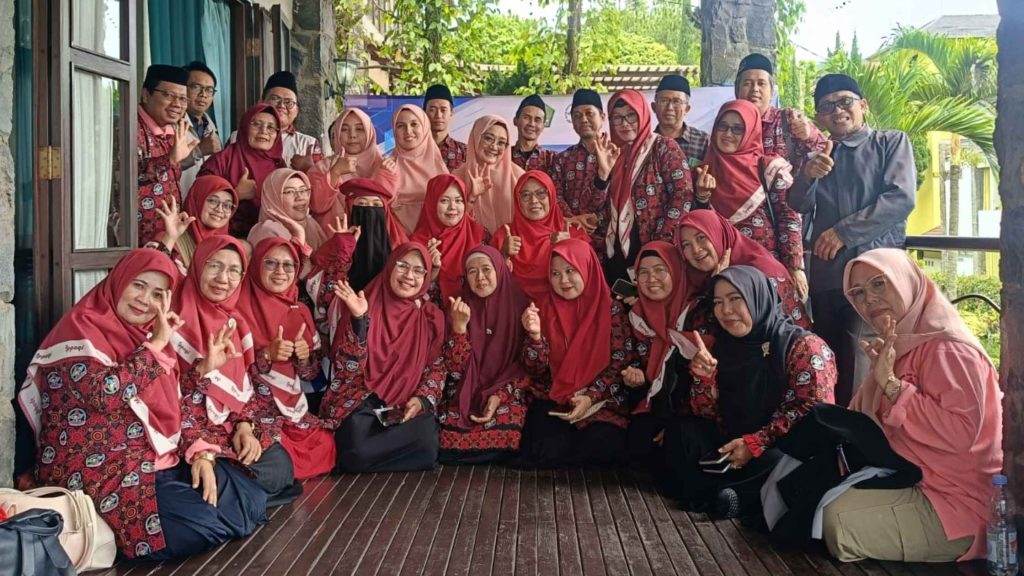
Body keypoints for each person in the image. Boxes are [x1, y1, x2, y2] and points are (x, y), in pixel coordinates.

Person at [18, 249, 267, 560]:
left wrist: (200, 447)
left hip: (149, 455)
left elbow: (169, 402)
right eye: (138, 285)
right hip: (98, 464)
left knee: (250, 497)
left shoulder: (144, 334)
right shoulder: (80, 329)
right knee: (197, 526)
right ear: (119, 281)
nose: (145, 300)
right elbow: (106, 394)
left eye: (158, 294)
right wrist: (156, 346)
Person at [820, 249, 1003, 563]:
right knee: (809, 497)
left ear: (905, 282)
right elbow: (861, 421)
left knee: (836, 522)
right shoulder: (901, 345)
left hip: (958, 502)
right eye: (858, 293)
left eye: (879, 284)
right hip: (909, 476)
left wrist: (892, 386)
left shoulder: (948, 349)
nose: (869, 299)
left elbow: (961, 433)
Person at [663, 266, 835, 517]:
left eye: (736, 299)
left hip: (775, 444)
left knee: (785, 459)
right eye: (718, 302)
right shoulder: (724, 346)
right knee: (683, 432)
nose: (725, 310)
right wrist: (704, 379)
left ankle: (730, 496)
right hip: (733, 443)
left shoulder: (803, 346)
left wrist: (756, 443)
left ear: (758, 297)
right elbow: (706, 413)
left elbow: (813, 410)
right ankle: (728, 493)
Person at [788, 73, 916, 405]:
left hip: (876, 274)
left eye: (845, 102)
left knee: (868, 358)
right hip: (828, 277)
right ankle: (833, 431)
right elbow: (796, 204)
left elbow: (901, 198)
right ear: (819, 117)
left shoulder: (890, 143)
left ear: (863, 105)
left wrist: (844, 232)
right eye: (827, 106)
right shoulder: (817, 157)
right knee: (830, 361)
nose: (837, 111)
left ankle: (866, 432)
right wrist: (807, 176)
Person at [173, 236, 300, 504]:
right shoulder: (172, 320)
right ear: (198, 266)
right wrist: (202, 369)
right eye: (214, 266)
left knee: (279, 464)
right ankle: (236, 492)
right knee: (206, 476)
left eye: (234, 271)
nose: (223, 278)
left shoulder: (234, 324)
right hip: (187, 435)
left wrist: (244, 426)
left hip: (226, 430)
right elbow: (163, 397)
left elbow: (245, 386)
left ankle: (239, 494)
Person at [321, 243, 446, 473]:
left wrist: (421, 400)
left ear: (426, 278)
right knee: (356, 445)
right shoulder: (363, 304)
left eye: (419, 270)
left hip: (405, 405)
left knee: (428, 444)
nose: (409, 276)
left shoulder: (430, 317)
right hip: (364, 400)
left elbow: (436, 367)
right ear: (389, 267)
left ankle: (376, 453)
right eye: (402, 266)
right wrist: (359, 321)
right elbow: (345, 369)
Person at [515, 239, 636, 468]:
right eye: (555, 273)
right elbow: (535, 369)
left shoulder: (611, 309)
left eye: (571, 270)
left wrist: (590, 396)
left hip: (601, 400)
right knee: (542, 450)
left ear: (587, 268)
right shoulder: (543, 308)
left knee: (605, 444)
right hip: (555, 396)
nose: (564, 280)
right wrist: (535, 337)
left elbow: (620, 361)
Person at [236, 237, 336, 480]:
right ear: (255, 265)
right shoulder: (237, 307)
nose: (280, 271)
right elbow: (229, 370)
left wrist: (304, 358)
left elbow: (311, 376)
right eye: (271, 263)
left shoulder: (300, 311)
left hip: (292, 406)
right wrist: (266, 355)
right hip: (253, 408)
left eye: (288, 265)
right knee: (276, 452)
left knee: (325, 444)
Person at [699, 99, 807, 299]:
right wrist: (701, 196)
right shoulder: (703, 172)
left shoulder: (770, 168)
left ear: (751, 131)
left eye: (738, 129)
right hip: (723, 277)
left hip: (767, 273)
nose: (728, 134)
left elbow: (788, 217)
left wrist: (794, 267)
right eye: (723, 126)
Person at [438, 246, 533, 464]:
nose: (480, 277)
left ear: (499, 270)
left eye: (486, 269)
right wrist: (459, 329)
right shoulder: (457, 307)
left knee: (511, 431)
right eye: (472, 271)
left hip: (507, 388)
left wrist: (499, 396)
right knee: (448, 436)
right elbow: (454, 370)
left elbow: (529, 367)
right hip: (466, 387)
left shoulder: (521, 307)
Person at [603, 89, 694, 284]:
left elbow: (682, 195)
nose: (624, 123)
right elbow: (602, 206)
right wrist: (602, 175)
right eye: (617, 117)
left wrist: (659, 244)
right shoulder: (613, 154)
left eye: (631, 115)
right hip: (617, 250)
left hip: (654, 249)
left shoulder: (663, 147)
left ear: (642, 114)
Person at [624, 241, 702, 466]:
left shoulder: (696, 312)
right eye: (643, 272)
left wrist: (675, 425)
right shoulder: (637, 315)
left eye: (660, 270)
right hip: (651, 403)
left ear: (676, 271)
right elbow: (631, 359)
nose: (651, 279)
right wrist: (635, 377)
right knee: (636, 446)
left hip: (690, 411)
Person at [676, 210, 810, 330]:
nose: (696, 250)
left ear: (718, 235)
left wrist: (719, 288)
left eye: (701, 237)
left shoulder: (763, 274)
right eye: (686, 244)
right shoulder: (694, 279)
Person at [490, 171, 589, 301]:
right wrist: (503, 255)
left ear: (551, 196)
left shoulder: (573, 234)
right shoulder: (504, 236)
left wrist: (571, 248)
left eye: (541, 193)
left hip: (563, 308)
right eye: (525, 195)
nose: (534, 201)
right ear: (518, 201)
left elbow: (592, 279)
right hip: (516, 308)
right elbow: (488, 282)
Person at [200, 103, 286, 238]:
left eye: (270, 127)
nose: (263, 131)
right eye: (256, 124)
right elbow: (199, 202)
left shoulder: (279, 166)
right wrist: (237, 194)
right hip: (223, 235)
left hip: (267, 237)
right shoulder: (222, 160)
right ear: (245, 127)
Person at [735, 53, 827, 170]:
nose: (755, 89)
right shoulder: (730, 122)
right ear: (737, 91)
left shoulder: (789, 119)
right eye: (747, 83)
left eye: (761, 83)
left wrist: (808, 135)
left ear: (772, 92)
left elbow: (825, 153)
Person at [550, 89, 619, 244]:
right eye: (577, 115)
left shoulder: (617, 154)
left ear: (602, 117)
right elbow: (555, 195)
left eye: (589, 113)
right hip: (570, 239)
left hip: (608, 240)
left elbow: (622, 197)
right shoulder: (562, 159)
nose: (583, 119)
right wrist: (574, 220)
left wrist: (598, 218)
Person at [137, 64, 196, 245]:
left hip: (167, 238)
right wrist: (169, 159)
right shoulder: (127, 126)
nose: (177, 104)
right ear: (146, 94)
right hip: (133, 239)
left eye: (183, 99)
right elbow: (124, 179)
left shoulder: (174, 132)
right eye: (168, 95)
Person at [309, 108, 398, 225]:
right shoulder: (321, 168)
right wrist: (335, 172)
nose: (352, 135)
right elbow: (316, 206)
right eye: (344, 129)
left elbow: (389, 209)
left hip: (374, 234)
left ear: (370, 133)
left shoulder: (386, 166)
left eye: (359, 129)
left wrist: (383, 176)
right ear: (337, 133)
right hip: (332, 234)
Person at [410, 174, 486, 300]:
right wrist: (432, 271)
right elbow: (412, 293)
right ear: (432, 203)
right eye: (444, 200)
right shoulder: (417, 245)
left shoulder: (478, 234)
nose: (452, 207)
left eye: (458, 200)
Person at [146, 174, 237, 275]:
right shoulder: (168, 239)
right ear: (196, 200)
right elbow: (150, 275)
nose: (219, 209)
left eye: (227, 205)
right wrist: (170, 238)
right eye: (213, 201)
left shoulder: (230, 247)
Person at [234, 71, 322, 172]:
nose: (281, 106)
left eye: (289, 102)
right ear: (261, 102)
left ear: (297, 110)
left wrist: (310, 169)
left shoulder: (308, 144)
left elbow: (323, 180)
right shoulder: (236, 137)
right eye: (275, 99)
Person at [453, 115, 525, 234]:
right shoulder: (458, 177)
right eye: (488, 138)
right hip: (471, 243)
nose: (494, 147)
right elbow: (451, 223)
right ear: (476, 137)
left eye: (501, 143)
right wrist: (471, 198)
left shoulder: (519, 177)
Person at [390, 104, 450, 233]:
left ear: (425, 127)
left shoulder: (438, 165)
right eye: (400, 126)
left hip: (436, 237)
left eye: (414, 124)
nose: (408, 131)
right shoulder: (388, 165)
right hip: (398, 237)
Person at [248, 168, 328, 251]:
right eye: (290, 192)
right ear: (273, 198)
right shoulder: (267, 231)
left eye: (303, 190)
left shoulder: (311, 224)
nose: (300, 197)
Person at [179, 61, 221, 195]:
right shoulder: (172, 124)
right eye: (196, 87)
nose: (203, 94)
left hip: (205, 203)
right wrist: (199, 151)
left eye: (209, 90)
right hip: (176, 201)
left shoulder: (211, 128)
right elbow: (164, 168)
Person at [652, 74, 708, 167]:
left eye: (676, 102)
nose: (670, 107)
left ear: (687, 109)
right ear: (654, 107)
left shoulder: (703, 142)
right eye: (664, 101)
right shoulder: (647, 143)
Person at [424, 84, 467, 171]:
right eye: (432, 110)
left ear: (451, 112)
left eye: (443, 110)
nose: (438, 115)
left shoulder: (464, 151)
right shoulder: (414, 149)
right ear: (424, 112)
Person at [511, 94, 556, 173]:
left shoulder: (553, 160)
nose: (531, 124)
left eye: (537, 120)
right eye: (526, 117)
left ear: (543, 126)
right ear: (515, 121)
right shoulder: (503, 156)